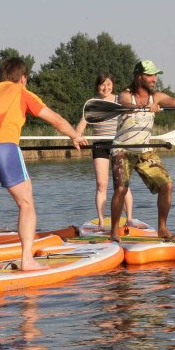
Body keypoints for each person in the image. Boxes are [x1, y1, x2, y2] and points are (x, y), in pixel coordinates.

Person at [0, 57, 87, 272]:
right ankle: (27, 260)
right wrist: (75, 136)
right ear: (23, 78)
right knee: (26, 204)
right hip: (4, 150)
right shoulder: (20, 91)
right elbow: (56, 120)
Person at [109, 60, 175, 242]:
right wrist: (143, 108)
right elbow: (125, 105)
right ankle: (114, 232)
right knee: (121, 189)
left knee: (167, 185)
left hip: (145, 150)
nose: (154, 79)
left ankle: (162, 229)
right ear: (139, 76)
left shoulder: (156, 97)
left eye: (155, 75)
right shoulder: (125, 95)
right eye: (149, 75)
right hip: (121, 150)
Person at [75, 72, 137, 231]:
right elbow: (80, 127)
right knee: (102, 185)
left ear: (113, 86)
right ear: (98, 86)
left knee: (123, 185)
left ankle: (129, 219)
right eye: (102, 84)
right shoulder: (93, 104)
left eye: (108, 84)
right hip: (100, 145)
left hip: (119, 144)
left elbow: (133, 113)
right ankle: (102, 223)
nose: (106, 87)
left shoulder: (120, 100)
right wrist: (78, 137)